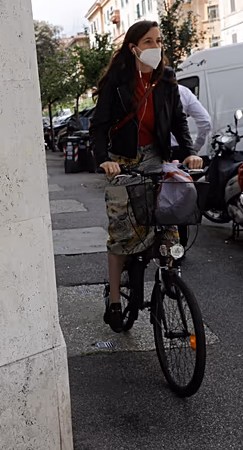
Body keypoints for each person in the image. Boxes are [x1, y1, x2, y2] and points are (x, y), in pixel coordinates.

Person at [90, 20, 203, 333]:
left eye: (159, 41)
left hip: (155, 158)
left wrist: (189, 152)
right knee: (121, 233)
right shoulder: (117, 81)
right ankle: (115, 299)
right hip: (122, 162)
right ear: (134, 47)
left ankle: (170, 277)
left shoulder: (166, 79)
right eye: (150, 41)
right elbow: (98, 127)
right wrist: (104, 161)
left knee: (167, 223)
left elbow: (179, 121)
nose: (156, 47)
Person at [169, 77, 212, 251]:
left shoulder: (146, 91)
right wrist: (194, 149)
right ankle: (180, 244)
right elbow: (205, 122)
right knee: (180, 195)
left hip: (154, 152)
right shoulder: (183, 92)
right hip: (181, 152)